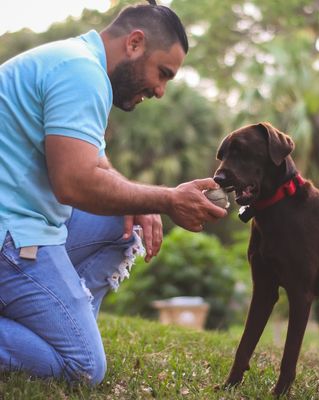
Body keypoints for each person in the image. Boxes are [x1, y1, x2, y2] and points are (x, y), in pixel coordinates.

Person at [0, 0, 226, 384]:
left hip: (24, 226)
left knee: (121, 228)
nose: (159, 91)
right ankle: (61, 336)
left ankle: (55, 324)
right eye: (162, 73)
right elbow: (73, 182)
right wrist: (166, 199)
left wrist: (143, 200)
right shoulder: (80, 73)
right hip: (12, 236)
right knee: (84, 367)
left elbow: (97, 163)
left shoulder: (75, 60)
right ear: (135, 43)